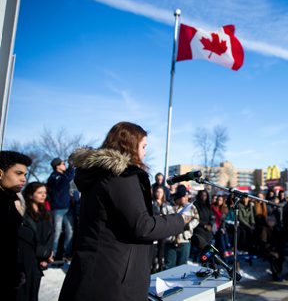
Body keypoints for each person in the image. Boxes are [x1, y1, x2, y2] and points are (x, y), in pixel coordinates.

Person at [58, 122, 188, 301]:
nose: (144, 152)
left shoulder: (101, 174)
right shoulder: (120, 176)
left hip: (97, 272)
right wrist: (180, 220)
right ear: (130, 145)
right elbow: (142, 226)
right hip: (112, 279)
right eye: (143, 146)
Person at [0, 151, 32, 300]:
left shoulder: (11, 200)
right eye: (18, 173)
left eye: (25, 175)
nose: (23, 179)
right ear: (0, 173)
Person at [17, 182, 54, 301]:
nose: (43, 195)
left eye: (44, 193)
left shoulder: (47, 213)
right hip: (28, 259)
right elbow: (28, 238)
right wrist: (43, 253)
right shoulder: (23, 214)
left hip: (40, 260)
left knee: (34, 293)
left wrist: (47, 254)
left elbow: (50, 235)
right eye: (39, 193)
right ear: (30, 195)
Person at [164, 185, 199, 269]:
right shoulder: (168, 207)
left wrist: (188, 225)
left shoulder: (191, 207)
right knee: (169, 266)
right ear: (178, 197)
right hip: (170, 241)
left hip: (185, 240)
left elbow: (196, 219)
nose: (186, 198)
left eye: (186, 196)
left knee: (182, 267)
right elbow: (163, 221)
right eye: (184, 196)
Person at [47, 157, 75, 260]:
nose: (64, 165)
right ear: (57, 166)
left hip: (68, 208)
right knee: (56, 232)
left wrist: (71, 167)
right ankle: (51, 255)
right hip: (58, 209)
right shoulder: (54, 177)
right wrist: (71, 167)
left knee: (70, 232)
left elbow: (67, 178)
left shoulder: (63, 176)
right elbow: (65, 180)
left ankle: (66, 254)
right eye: (63, 164)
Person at [192, 189, 213, 255]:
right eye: (202, 195)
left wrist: (210, 225)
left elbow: (211, 217)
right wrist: (204, 225)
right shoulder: (195, 205)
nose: (203, 197)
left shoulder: (208, 206)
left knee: (210, 248)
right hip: (199, 228)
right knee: (203, 246)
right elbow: (194, 218)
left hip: (208, 230)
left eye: (205, 195)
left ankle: (209, 261)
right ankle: (200, 259)